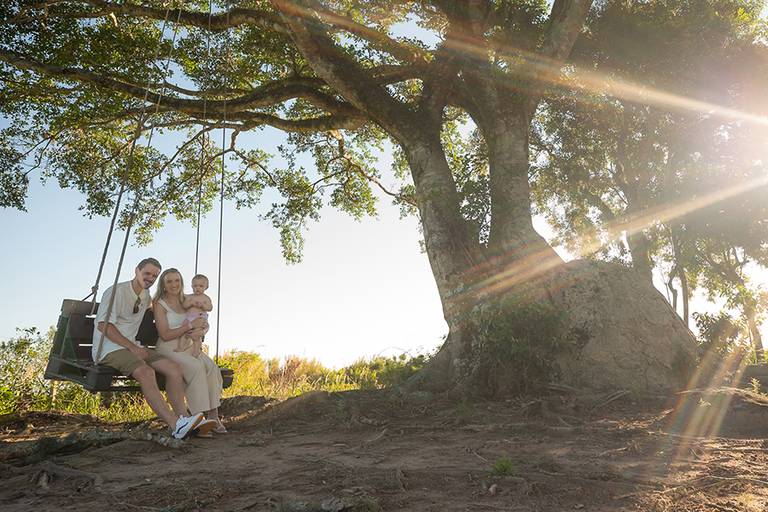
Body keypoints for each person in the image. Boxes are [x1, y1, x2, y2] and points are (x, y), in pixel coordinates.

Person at [92, 258, 216, 439]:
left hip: (132, 345)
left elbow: (163, 306)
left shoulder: (145, 296)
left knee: (174, 369)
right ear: (136, 271)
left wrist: (197, 309)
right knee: (146, 372)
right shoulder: (115, 292)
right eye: (146, 273)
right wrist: (132, 348)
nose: (149, 278)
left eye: (154, 276)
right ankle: (175, 425)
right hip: (109, 348)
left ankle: (185, 419)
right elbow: (103, 326)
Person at [153, 268, 226, 434]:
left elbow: (201, 318)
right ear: (163, 284)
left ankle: (214, 415)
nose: (174, 284)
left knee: (211, 368)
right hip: (169, 346)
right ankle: (198, 417)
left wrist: (203, 329)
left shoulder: (187, 300)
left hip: (188, 344)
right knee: (196, 367)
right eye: (169, 281)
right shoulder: (160, 303)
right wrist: (190, 326)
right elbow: (164, 334)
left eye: (177, 280)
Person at [175, 274, 213, 356]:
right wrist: (190, 303)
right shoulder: (189, 297)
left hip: (200, 316)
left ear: (206, 287)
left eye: (201, 286)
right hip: (189, 317)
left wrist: (203, 306)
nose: (198, 288)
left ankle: (196, 350)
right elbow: (184, 306)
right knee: (184, 333)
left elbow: (210, 308)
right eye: (195, 286)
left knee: (197, 335)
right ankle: (181, 347)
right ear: (192, 286)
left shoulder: (206, 298)